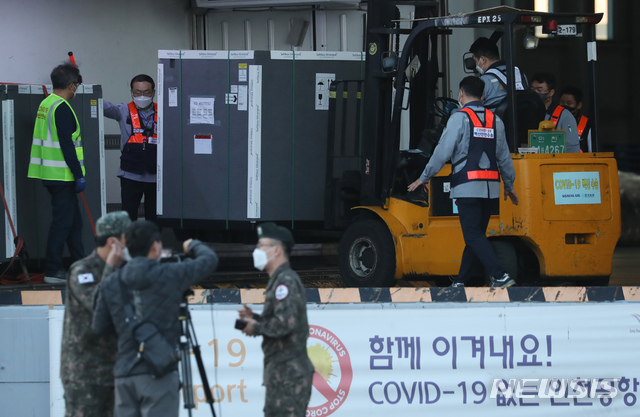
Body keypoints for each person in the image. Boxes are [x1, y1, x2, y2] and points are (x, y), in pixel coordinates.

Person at [92, 220, 218, 417]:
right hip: (158, 372)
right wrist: (192, 244)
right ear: (155, 246)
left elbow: (99, 327)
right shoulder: (170, 274)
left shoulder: (110, 282)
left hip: (124, 373)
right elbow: (209, 260)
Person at [407, 77, 519, 288]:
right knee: (475, 235)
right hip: (490, 189)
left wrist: (424, 176)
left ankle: (500, 275)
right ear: (483, 96)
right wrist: (509, 185)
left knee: (473, 235)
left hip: (467, 187)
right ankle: (460, 281)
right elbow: (504, 156)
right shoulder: (495, 120)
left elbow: (442, 152)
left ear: (461, 94)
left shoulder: (459, 119)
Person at [237, 222, 314, 417]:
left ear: (276, 250)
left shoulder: (285, 282)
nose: (257, 250)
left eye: (261, 245)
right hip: (282, 374)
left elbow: (285, 324)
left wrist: (255, 327)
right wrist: (254, 318)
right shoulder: (279, 280)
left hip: (288, 375)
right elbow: (281, 317)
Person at [60, 211, 131, 417]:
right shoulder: (82, 270)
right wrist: (111, 269)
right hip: (85, 372)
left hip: (116, 369)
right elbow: (98, 304)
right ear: (113, 242)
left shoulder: (125, 268)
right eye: (128, 239)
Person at [28, 63, 86, 283]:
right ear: (71, 85)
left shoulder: (46, 103)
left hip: (53, 174)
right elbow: (66, 144)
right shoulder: (61, 107)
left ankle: (80, 266)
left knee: (73, 223)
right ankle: (53, 269)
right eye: (77, 86)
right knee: (62, 223)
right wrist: (78, 173)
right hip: (62, 176)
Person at [104, 74, 158, 222]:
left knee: (154, 218)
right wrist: (84, 90)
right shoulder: (123, 110)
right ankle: (129, 245)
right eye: (137, 92)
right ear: (132, 93)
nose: (142, 96)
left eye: (146, 92)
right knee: (128, 216)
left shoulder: (163, 112)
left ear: (153, 92)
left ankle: (151, 245)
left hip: (156, 176)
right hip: (130, 174)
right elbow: (104, 106)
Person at [469, 37, 529, 113]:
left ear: (483, 60)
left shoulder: (484, 80)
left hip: (495, 123)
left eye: (476, 61)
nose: (476, 65)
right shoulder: (519, 73)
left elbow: (473, 109)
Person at [530, 72, 581, 153]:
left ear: (551, 92)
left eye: (539, 90)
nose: (535, 93)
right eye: (532, 90)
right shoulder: (528, 113)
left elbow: (572, 148)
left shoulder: (565, 115)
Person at [560, 86, 592, 152]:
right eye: (562, 103)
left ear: (579, 105)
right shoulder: (554, 121)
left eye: (569, 103)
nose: (565, 106)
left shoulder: (587, 125)